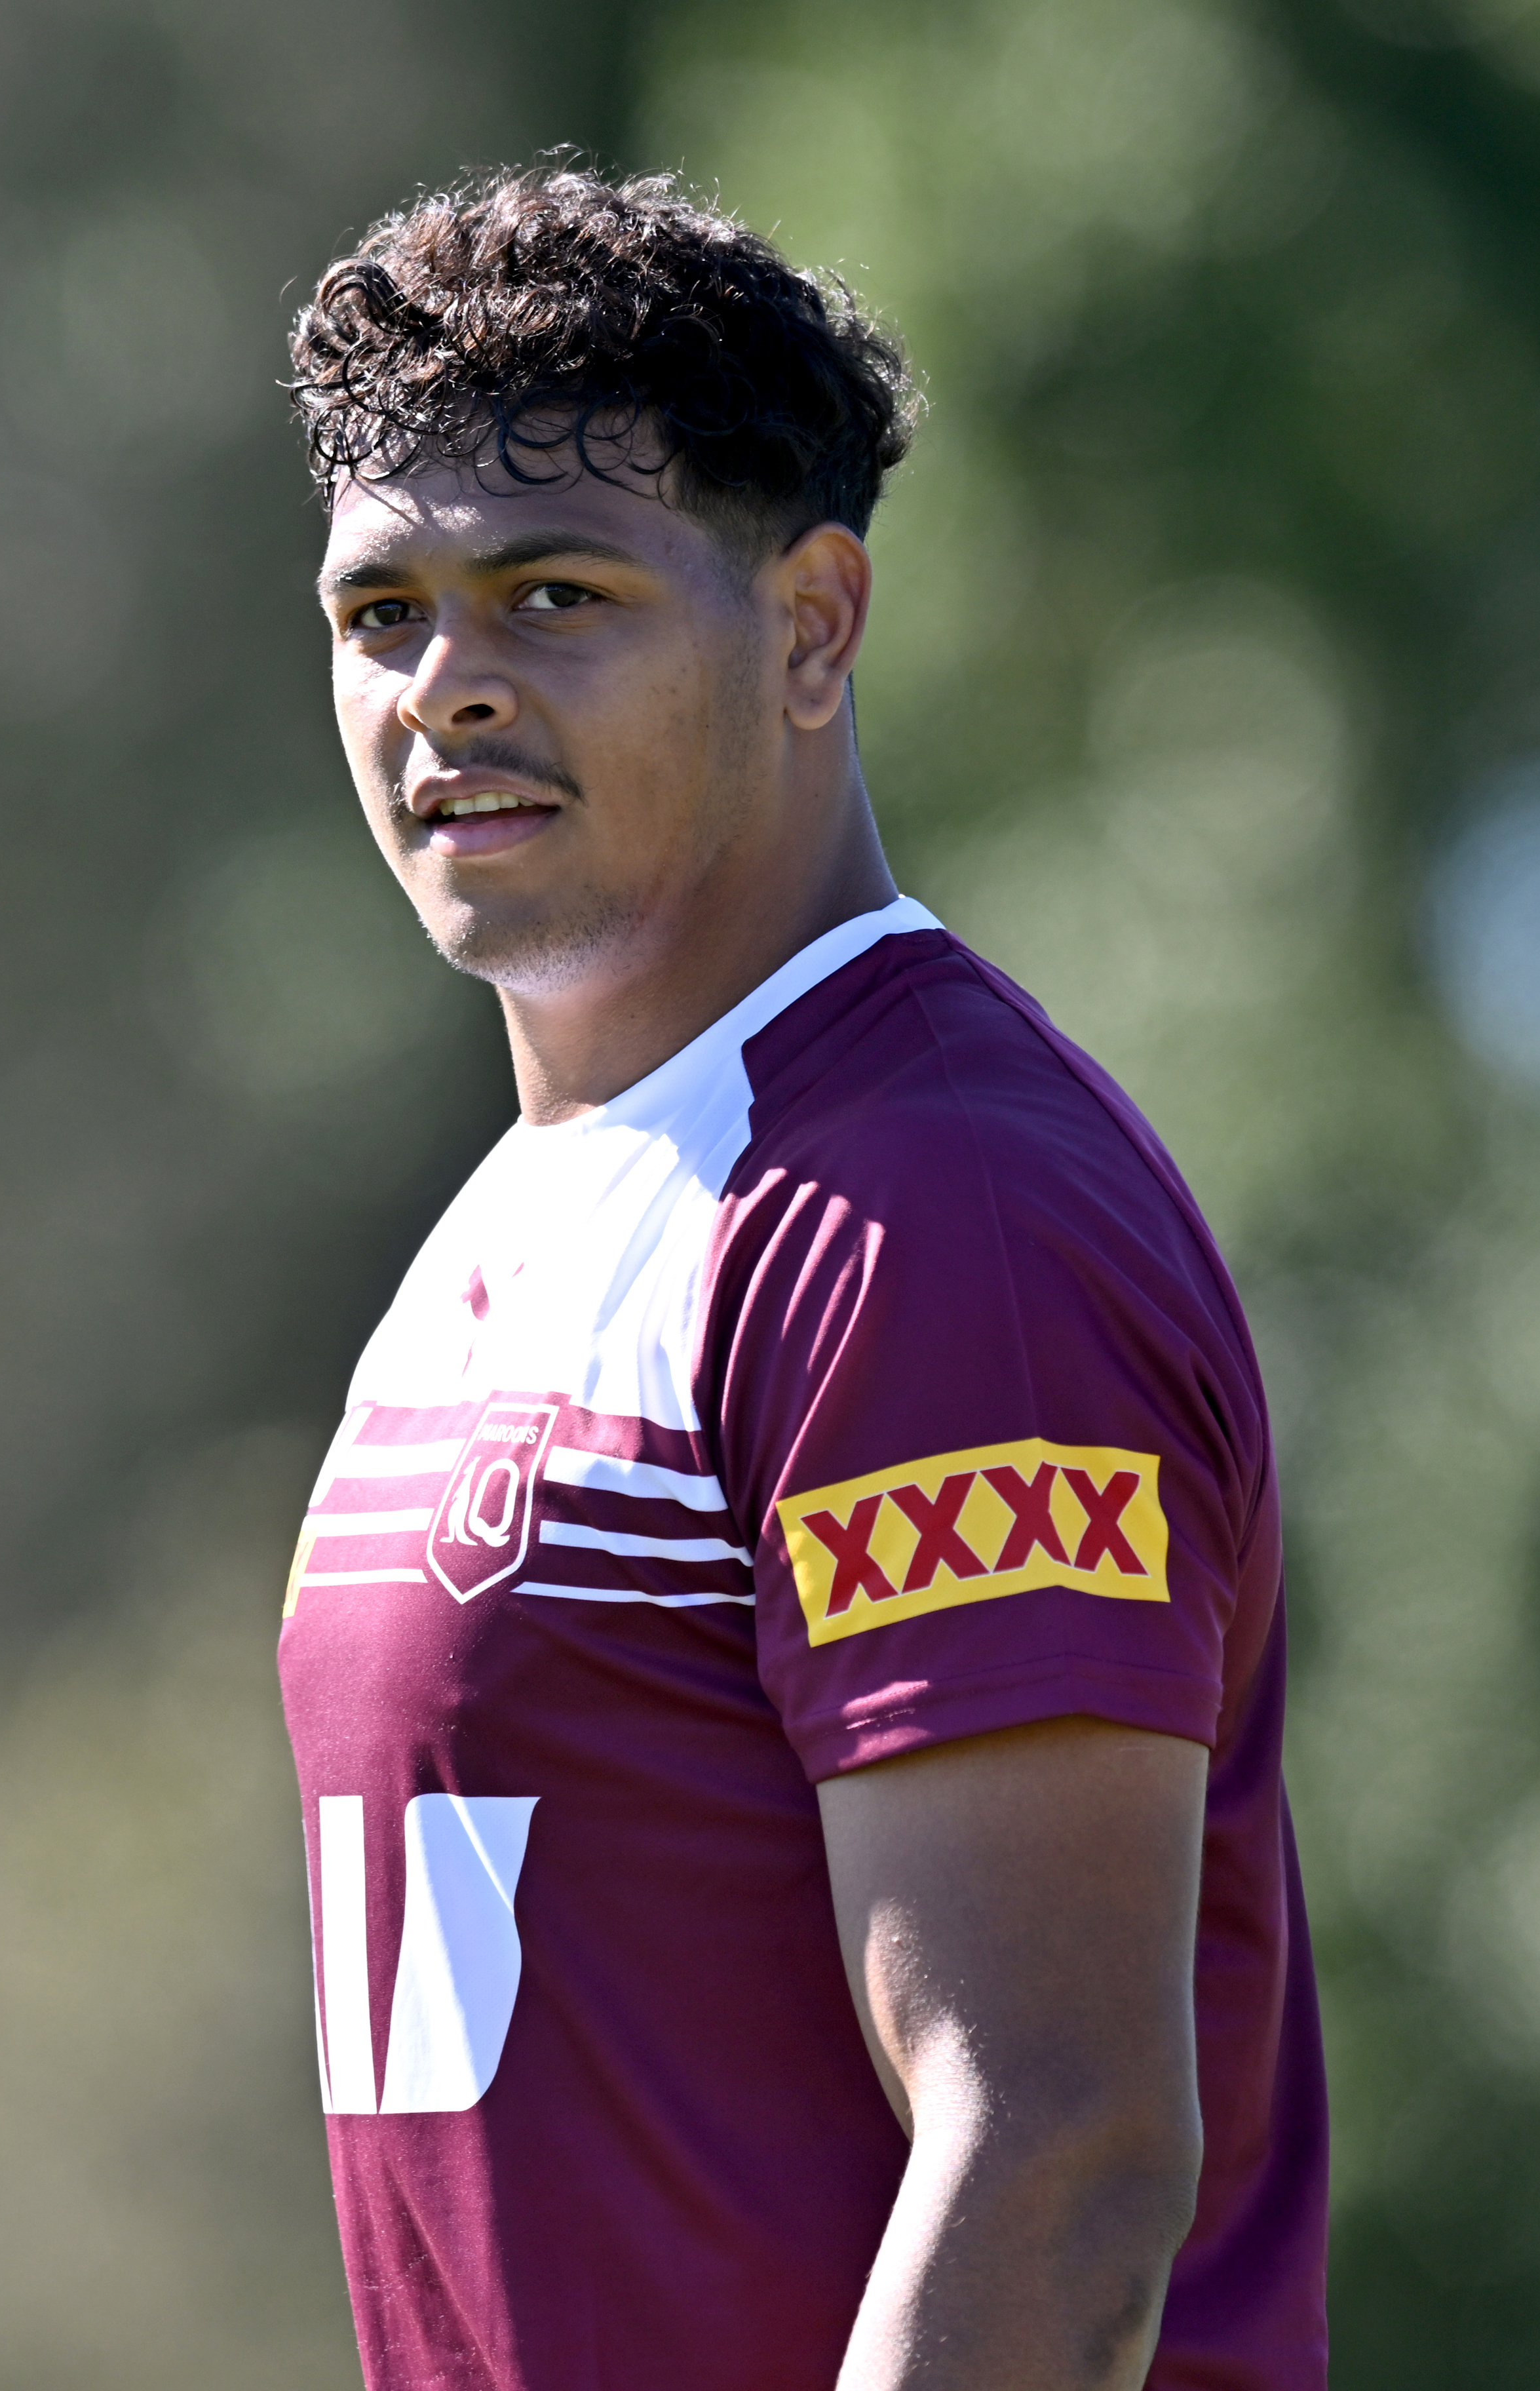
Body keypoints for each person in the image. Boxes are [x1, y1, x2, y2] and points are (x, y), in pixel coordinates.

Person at [271, 165, 1327, 2391]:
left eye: (553, 595)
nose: (446, 689)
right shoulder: (526, 1215)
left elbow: (1055, 2152)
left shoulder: (929, 1221)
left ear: (813, 628)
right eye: (388, 616)